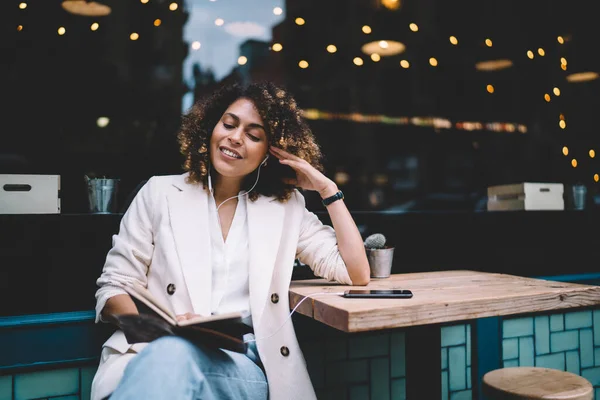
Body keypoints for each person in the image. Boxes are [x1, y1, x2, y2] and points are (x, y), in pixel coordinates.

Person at [90, 81, 371, 400]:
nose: (236, 138)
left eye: (254, 135)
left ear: (270, 152)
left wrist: (326, 190)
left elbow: (355, 272)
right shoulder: (160, 193)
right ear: (210, 128)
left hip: (238, 368)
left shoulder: (284, 207)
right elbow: (114, 287)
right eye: (229, 124)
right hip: (151, 352)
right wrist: (157, 329)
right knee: (173, 354)